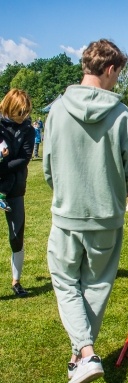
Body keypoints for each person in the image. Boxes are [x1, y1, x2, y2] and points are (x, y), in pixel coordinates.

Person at [43, 38, 128, 383]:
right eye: (119, 74)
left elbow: (48, 168)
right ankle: (85, 352)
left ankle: (81, 354)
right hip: (106, 214)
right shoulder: (120, 113)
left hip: (68, 212)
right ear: (110, 69)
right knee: (95, 285)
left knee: (67, 282)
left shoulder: (56, 109)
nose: (118, 82)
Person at [0, 89, 34, 297]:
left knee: (16, 234)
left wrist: (2, 168)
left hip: (15, 187)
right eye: (20, 113)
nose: (23, 117)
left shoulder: (28, 129)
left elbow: (24, 157)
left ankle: (16, 281)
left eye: (26, 113)